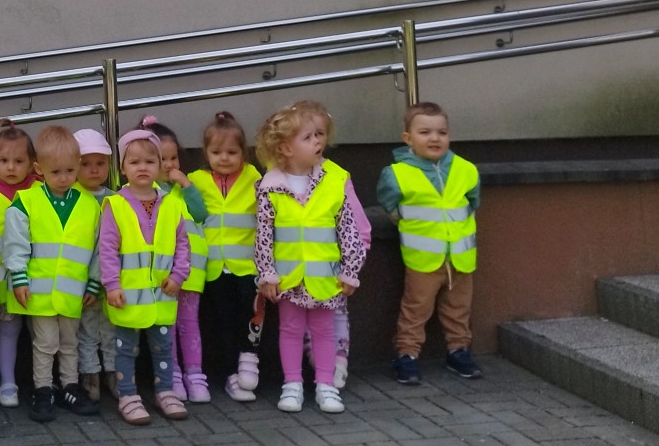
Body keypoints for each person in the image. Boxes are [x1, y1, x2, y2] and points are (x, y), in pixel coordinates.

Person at [254, 102, 368, 415]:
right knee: (290, 330)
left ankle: (325, 386)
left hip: (325, 277)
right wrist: (267, 274)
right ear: (285, 148)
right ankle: (292, 384)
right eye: (308, 137)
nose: (318, 141)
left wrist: (350, 270)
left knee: (324, 331)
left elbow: (349, 230)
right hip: (289, 278)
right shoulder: (269, 187)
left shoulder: (333, 181)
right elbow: (263, 235)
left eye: (319, 135)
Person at [376, 101, 483, 384]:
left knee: (459, 309)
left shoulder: (466, 170)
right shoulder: (397, 174)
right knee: (415, 309)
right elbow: (390, 206)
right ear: (408, 138)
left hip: (460, 257)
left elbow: (473, 202)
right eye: (425, 132)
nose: (435, 138)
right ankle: (407, 355)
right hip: (422, 260)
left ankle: (458, 350)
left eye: (442, 132)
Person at [2, 125, 101, 421]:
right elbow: (15, 243)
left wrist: (94, 282)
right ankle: (43, 389)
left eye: (70, 170)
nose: (64, 177)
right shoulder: (26, 202)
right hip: (38, 292)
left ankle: (70, 386)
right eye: (56, 171)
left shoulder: (89, 205)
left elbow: (97, 247)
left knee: (70, 342)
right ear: (39, 169)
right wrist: (18, 277)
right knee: (45, 344)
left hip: (73, 292)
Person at [98, 128, 190, 424]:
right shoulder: (116, 205)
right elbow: (107, 249)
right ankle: (127, 395)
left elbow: (182, 244)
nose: (142, 167)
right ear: (122, 168)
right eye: (134, 162)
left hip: (163, 293)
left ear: (161, 165)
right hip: (128, 294)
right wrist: (111, 285)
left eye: (150, 161)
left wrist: (179, 275)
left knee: (163, 347)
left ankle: (166, 391)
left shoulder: (172, 204)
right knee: (126, 348)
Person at [189, 112, 262, 402]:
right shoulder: (196, 180)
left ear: (243, 152)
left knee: (250, 315)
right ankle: (231, 374)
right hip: (214, 268)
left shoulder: (254, 177)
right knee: (222, 321)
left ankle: (249, 359)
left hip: (247, 266)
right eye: (216, 152)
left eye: (232, 152)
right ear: (206, 153)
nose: (224, 158)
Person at [143, 116, 212, 403]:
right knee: (167, 326)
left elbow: (201, 214)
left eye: (174, 158)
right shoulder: (147, 194)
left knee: (189, 324)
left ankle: (195, 375)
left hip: (191, 271)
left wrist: (187, 185)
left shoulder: (182, 191)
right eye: (163, 159)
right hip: (164, 274)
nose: (170, 165)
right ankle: (171, 375)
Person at [0, 120, 36, 408]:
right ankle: (7, 383)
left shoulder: (41, 189)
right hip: (4, 281)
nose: (11, 167)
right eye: (4, 161)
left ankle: (43, 381)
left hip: (40, 277)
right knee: (9, 331)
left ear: (33, 163)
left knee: (41, 333)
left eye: (19, 161)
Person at [71, 128, 119, 400]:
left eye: (100, 163)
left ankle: (114, 371)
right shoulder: (71, 196)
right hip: (81, 278)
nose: (93, 170)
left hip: (111, 278)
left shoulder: (116, 198)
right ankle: (90, 374)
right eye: (85, 164)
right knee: (86, 328)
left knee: (111, 326)